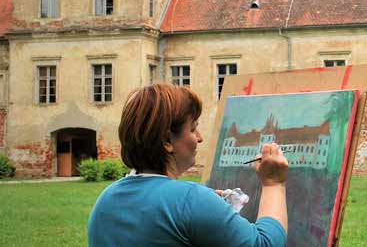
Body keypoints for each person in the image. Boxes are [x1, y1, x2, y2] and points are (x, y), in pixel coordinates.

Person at [88, 83, 288, 247]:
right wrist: (273, 183)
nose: (199, 138)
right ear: (167, 141)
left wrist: (206, 208)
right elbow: (264, 244)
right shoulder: (191, 200)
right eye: (193, 129)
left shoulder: (106, 200)